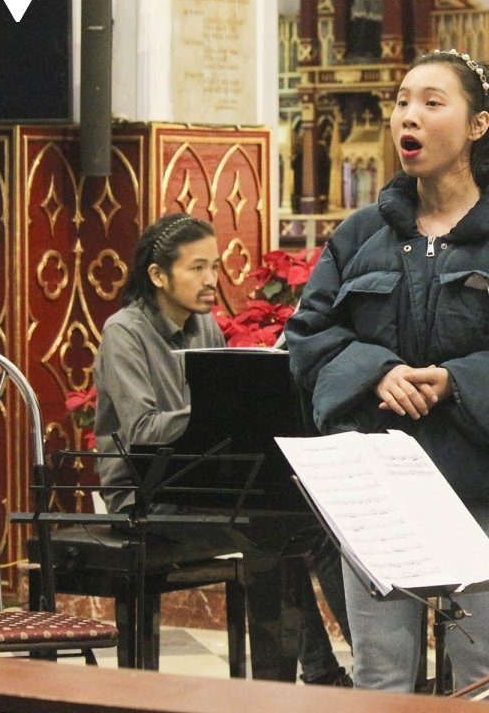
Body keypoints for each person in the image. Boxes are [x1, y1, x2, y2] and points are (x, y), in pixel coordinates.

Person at [286, 49, 489, 697]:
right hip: (378, 490)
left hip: (488, 482)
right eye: (401, 102)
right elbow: (308, 336)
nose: (407, 117)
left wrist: (459, 382)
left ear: (479, 125)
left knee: (486, 681)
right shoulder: (361, 233)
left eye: (431, 101)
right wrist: (374, 372)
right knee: (381, 677)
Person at [93, 213, 351, 687]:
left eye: (214, 266)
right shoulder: (123, 332)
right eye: (197, 268)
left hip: (200, 480)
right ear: (157, 275)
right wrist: (218, 418)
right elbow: (142, 429)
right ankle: (311, 677)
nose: (212, 279)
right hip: (144, 493)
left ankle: (341, 669)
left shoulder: (204, 327)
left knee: (310, 520)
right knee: (273, 529)